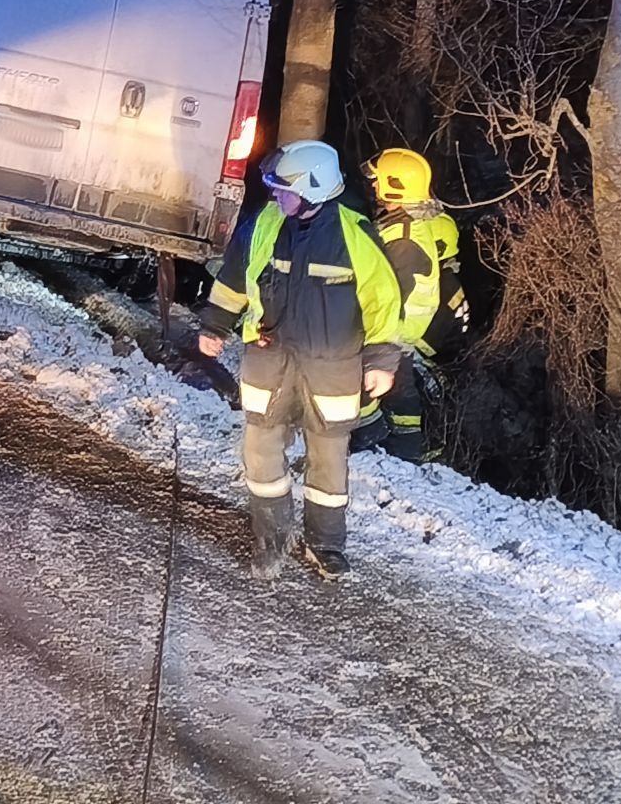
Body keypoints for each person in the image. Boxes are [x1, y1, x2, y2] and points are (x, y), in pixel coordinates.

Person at [198, 141, 403, 580]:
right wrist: (214, 325)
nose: (275, 194)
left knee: (329, 459)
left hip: (332, 368)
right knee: (260, 451)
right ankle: (271, 537)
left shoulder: (355, 235)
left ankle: (325, 545)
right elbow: (234, 279)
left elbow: (383, 302)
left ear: (312, 190)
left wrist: (382, 361)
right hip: (270, 361)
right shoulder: (264, 224)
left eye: (283, 189)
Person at [352, 147, 470, 463]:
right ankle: (402, 448)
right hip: (403, 328)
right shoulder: (406, 224)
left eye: (378, 179)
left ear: (395, 184)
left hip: (397, 328)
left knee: (387, 385)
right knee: (399, 391)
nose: (373, 185)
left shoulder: (403, 236)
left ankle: (394, 447)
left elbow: (392, 290)